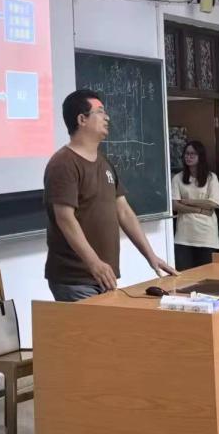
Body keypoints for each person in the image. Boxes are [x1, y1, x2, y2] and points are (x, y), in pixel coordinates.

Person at [44, 89, 177, 302]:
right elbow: (65, 219)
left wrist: (151, 256)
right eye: (100, 112)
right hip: (75, 278)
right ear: (82, 119)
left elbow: (124, 212)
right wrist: (94, 263)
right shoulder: (64, 163)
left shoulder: (104, 162)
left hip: (103, 276)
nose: (107, 117)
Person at [171, 140, 219, 269]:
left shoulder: (211, 177)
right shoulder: (177, 178)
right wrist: (200, 210)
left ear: (200, 156)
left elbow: (213, 203)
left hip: (206, 235)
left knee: (207, 275)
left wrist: (188, 201)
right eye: (186, 154)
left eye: (192, 154)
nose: (189, 157)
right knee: (184, 276)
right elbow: (175, 205)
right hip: (184, 236)